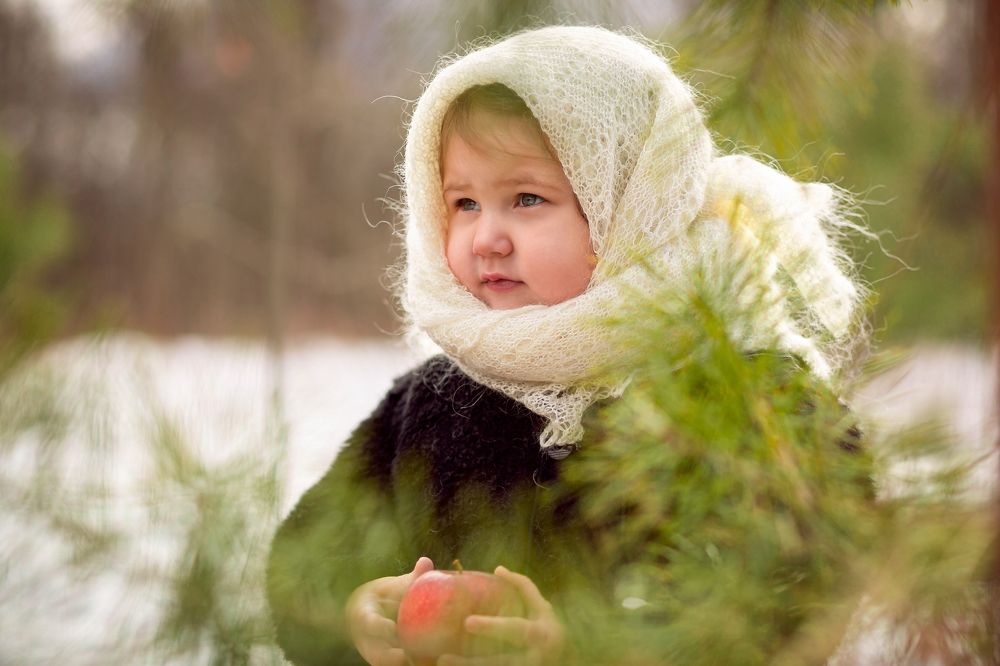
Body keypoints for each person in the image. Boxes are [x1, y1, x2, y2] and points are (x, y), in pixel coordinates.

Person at [266, 26, 866, 666]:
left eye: (527, 198)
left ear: (630, 208)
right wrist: (350, 612)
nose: (486, 237)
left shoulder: (741, 392)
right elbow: (307, 553)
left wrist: (591, 648)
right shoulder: (436, 401)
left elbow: (803, 585)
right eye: (464, 202)